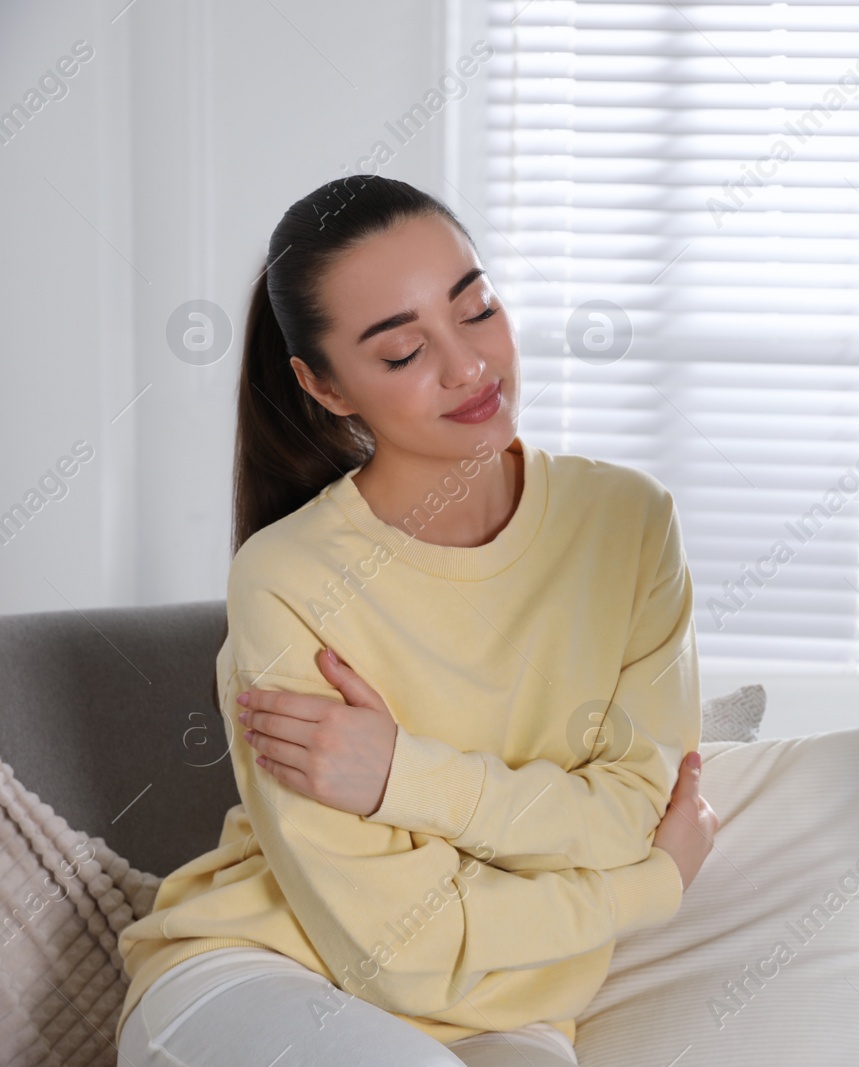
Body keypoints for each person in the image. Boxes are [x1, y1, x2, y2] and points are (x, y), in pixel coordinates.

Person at [115, 174, 719, 1066]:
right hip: (270, 970)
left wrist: (405, 776)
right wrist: (657, 886)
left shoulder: (628, 524)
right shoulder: (287, 578)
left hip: (516, 1009)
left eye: (476, 309)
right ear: (325, 387)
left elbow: (635, 809)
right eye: (402, 353)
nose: (469, 365)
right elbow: (392, 949)